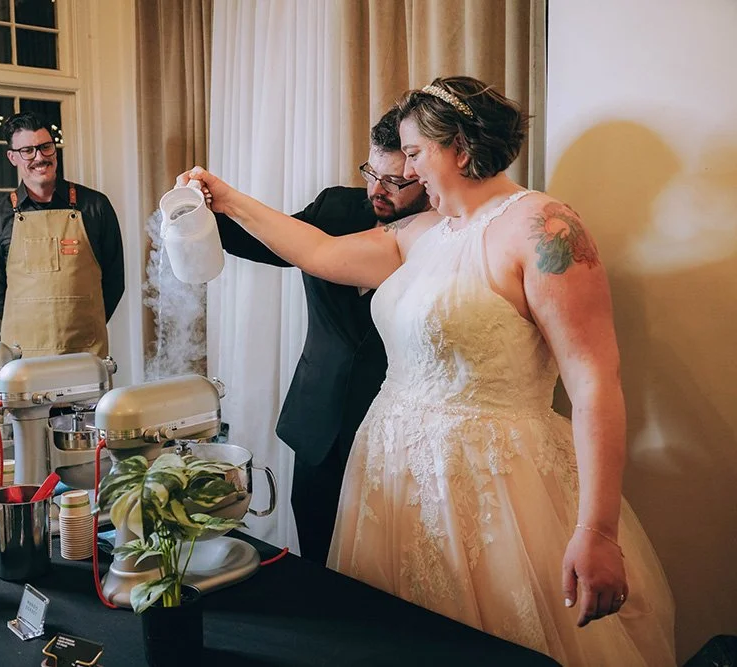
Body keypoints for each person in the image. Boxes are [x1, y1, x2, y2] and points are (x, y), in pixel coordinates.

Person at [178, 77, 675, 665]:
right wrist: (227, 198)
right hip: (390, 473)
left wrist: (597, 530)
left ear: (459, 149)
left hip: (494, 482)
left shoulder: (544, 227)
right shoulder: (424, 232)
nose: (406, 171)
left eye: (414, 154)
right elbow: (317, 251)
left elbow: (594, 383)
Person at [208, 106, 429, 564]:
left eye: (394, 182)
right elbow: (268, 242)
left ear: (423, 175)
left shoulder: (444, 235)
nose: (377, 190)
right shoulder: (336, 207)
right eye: (371, 173)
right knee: (316, 551)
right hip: (319, 419)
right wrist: (203, 211)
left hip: (400, 428)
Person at [0, 112, 124, 357]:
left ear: (54, 150)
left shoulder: (95, 206)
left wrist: (85, 321)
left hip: (85, 351)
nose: (39, 157)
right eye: (27, 151)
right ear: (12, 157)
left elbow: (114, 281)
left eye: (45, 147)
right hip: (23, 354)